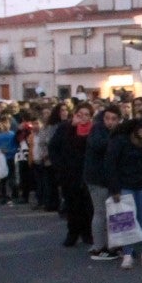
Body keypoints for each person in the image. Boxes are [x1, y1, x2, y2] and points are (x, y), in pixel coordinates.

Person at [107, 116, 142, 269]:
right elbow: (111, 165)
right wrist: (114, 188)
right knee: (126, 219)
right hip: (125, 184)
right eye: (141, 140)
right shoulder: (120, 142)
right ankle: (128, 254)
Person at [50, 104, 94, 247]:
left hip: (87, 173)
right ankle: (73, 233)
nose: (83, 118)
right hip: (69, 173)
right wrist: (59, 167)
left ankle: (87, 233)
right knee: (72, 206)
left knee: (88, 206)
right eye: (80, 114)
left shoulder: (94, 129)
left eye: (86, 115)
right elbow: (54, 147)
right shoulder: (65, 128)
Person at [83, 104, 121, 260]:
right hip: (97, 179)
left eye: (113, 119)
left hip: (105, 179)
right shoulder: (98, 130)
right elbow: (98, 145)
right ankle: (99, 247)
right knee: (100, 213)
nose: (110, 122)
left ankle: (108, 245)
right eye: (107, 118)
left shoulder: (112, 132)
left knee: (107, 213)